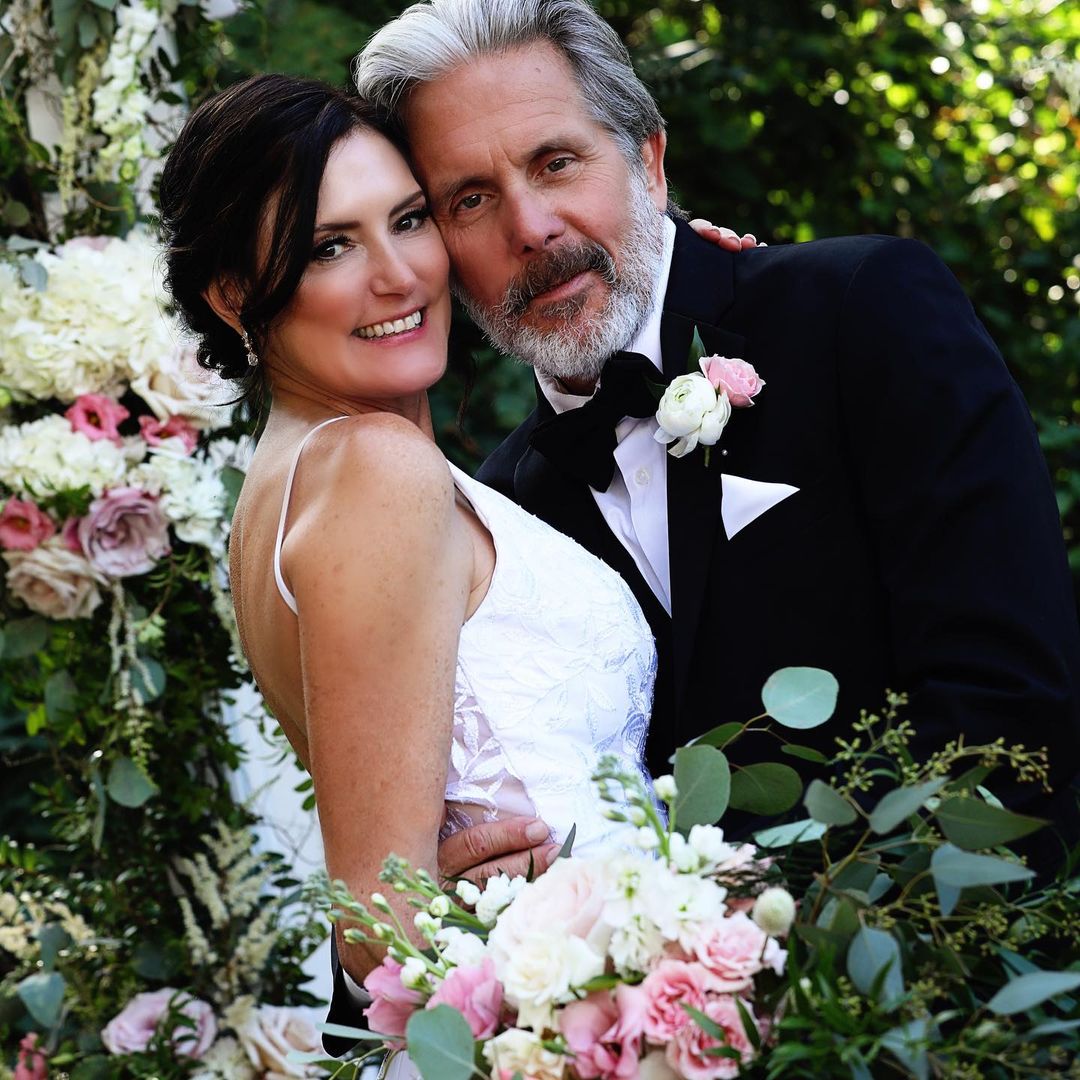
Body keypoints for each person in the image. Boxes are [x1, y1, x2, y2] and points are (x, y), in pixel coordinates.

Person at [353, 0, 1080, 888]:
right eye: (469, 198)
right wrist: (460, 899)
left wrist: (753, 939)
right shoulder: (500, 522)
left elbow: (1013, 711)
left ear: (648, 161)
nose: (531, 228)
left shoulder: (859, 313)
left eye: (557, 162)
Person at [156, 72, 748, 1051]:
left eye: (410, 219)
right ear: (232, 297)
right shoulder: (374, 471)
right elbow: (375, 924)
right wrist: (570, 993)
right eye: (331, 247)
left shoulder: (294, 484)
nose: (400, 276)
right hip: (580, 1024)